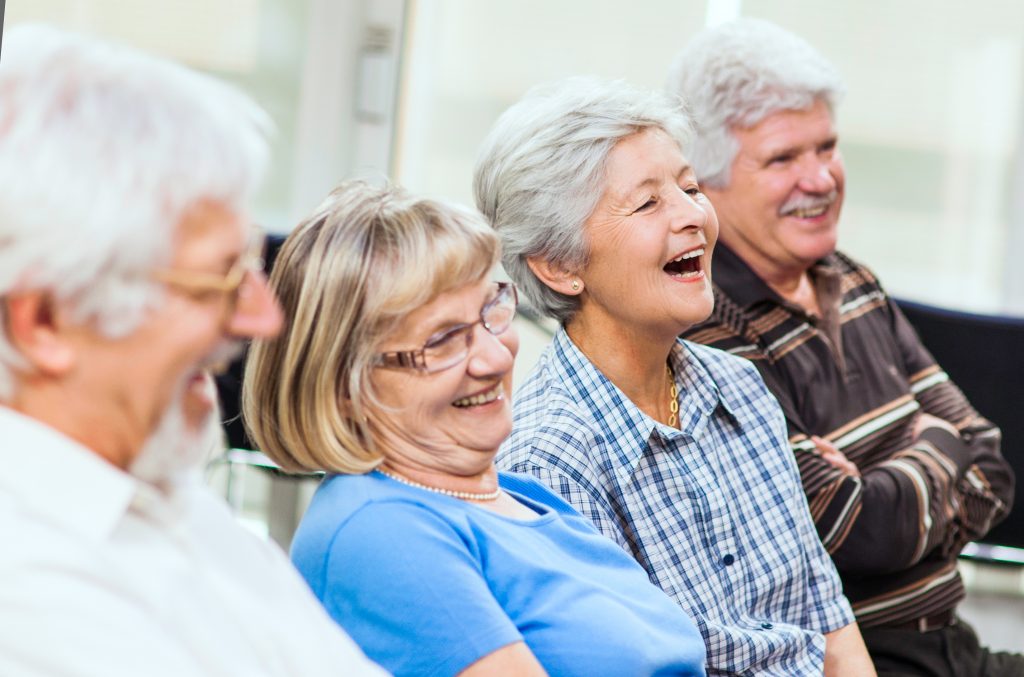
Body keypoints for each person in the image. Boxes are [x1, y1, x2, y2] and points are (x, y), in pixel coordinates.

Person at [0, 25, 384, 676]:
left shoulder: (181, 506)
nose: (267, 317)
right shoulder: (28, 586)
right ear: (44, 322)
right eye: (222, 278)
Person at [475, 76, 875, 675]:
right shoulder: (547, 462)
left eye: (690, 188)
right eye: (648, 202)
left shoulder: (738, 387)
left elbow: (830, 627)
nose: (694, 215)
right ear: (559, 265)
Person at [242, 180, 708, 677]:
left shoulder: (518, 493)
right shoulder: (379, 530)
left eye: (490, 311)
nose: (494, 355)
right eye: (442, 341)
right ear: (343, 386)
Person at [671, 18, 1021, 676]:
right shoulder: (706, 326)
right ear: (706, 183)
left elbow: (994, 468)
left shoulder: (853, 279)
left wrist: (890, 482)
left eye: (827, 146)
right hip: (851, 659)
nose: (821, 178)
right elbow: (850, 530)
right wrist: (938, 443)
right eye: (783, 159)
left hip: (953, 643)